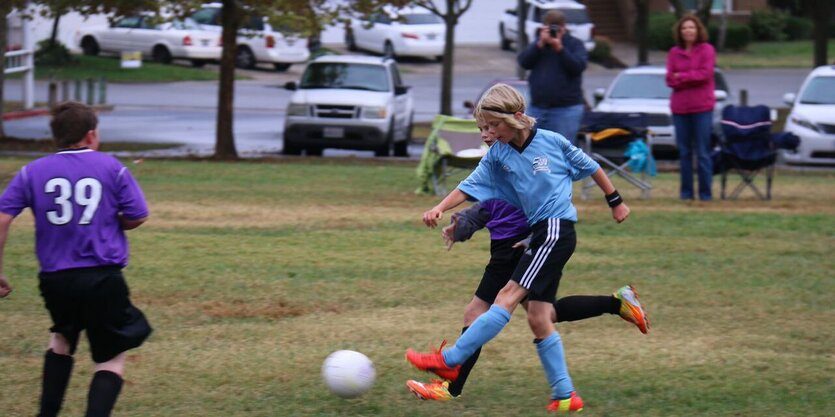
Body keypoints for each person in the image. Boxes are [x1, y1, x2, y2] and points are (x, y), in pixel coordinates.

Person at [406, 83, 631, 413]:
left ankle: (451, 360)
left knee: (506, 299)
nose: (487, 133)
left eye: (493, 126)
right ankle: (566, 394)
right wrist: (441, 207)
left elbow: (591, 167)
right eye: (483, 127)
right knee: (540, 316)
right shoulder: (498, 154)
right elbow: (469, 187)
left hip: (555, 229)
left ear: (516, 118)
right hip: (539, 234)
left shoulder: (551, 142)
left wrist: (616, 201)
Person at [0, 101, 152, 417]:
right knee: (110, 357)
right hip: (102, 276)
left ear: (56, 137)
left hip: (56, 278)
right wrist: (113, 222)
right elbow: (138, 215)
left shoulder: (32, 172)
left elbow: (2, 218)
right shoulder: (112, 167)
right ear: (92, 135)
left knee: (61, 339)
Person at [518, 9, 588, 145]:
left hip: (566, 109)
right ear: (543, 27)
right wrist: (539, 45)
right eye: (549, 27)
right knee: (533, 149)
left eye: (556, 27)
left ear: (563, 27)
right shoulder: (539, 44)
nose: (553, 31)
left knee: (562, 151)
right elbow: (523, 62)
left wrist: (560, 48)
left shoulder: (574, 44)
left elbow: (578, 67)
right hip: (537, 108)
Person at [665, 14, 716, 201]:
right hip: (680, 109)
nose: (688, 31)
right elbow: (670, 79)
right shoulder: (673, 53)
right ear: (680, 31)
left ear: (698, 30)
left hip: (702, 108)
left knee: (703, 152)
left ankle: (705, 194)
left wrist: (682, 76)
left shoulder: (707, 50)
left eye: (691, 27)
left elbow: (705, 74)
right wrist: (685, 77)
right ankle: (686, 193)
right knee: (685, 152)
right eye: (684, 28)